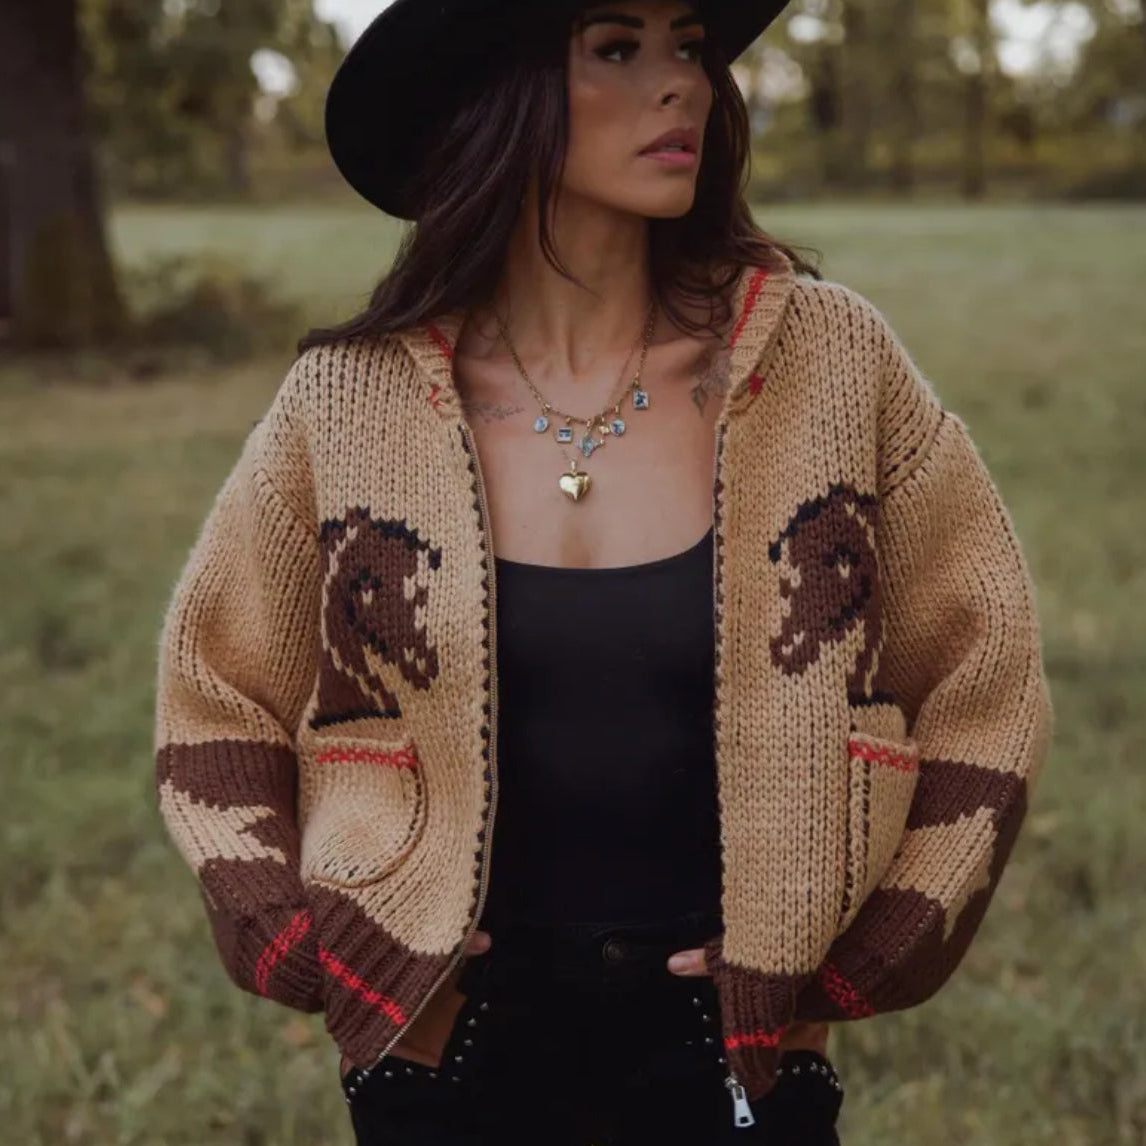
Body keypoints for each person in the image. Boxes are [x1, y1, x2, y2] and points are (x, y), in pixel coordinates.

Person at [151, 0, 1053, 1143]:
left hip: (739, 1066)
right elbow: (217, 686)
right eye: (618, 48)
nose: (681, 84)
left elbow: (988, 671)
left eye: (689, 46)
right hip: (444, 1056)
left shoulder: (833, 364)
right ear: (498, 95)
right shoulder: (348, 403)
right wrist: (285, 931)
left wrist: (877, 945)